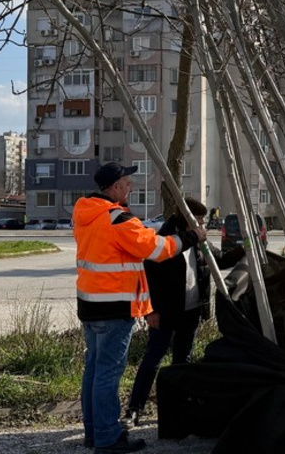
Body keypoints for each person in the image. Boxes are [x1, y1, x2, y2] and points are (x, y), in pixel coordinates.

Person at [74, 162, 205, 454]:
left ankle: (94, 433)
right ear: (115, 186)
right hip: (114, 308)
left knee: (94, 371)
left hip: (90, 305)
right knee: (107, 374)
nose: (131, 187)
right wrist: (191, 237)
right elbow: (156, 249)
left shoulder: (86, 214)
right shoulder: (118, 219)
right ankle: (108, 439)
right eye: (128, 182)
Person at [123, 197, 245, 425]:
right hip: (165, 312)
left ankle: (177, 408)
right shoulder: (163, 239)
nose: (202, 223)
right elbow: (147, 278)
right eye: (198, 218)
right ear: (185, 217)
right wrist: (150, 312)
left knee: (183, 361)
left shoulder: (199, 241)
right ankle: (134, 408)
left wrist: (244, 248)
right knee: (153, 359)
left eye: (202, 219)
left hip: (190, 312)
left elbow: (220, 260)